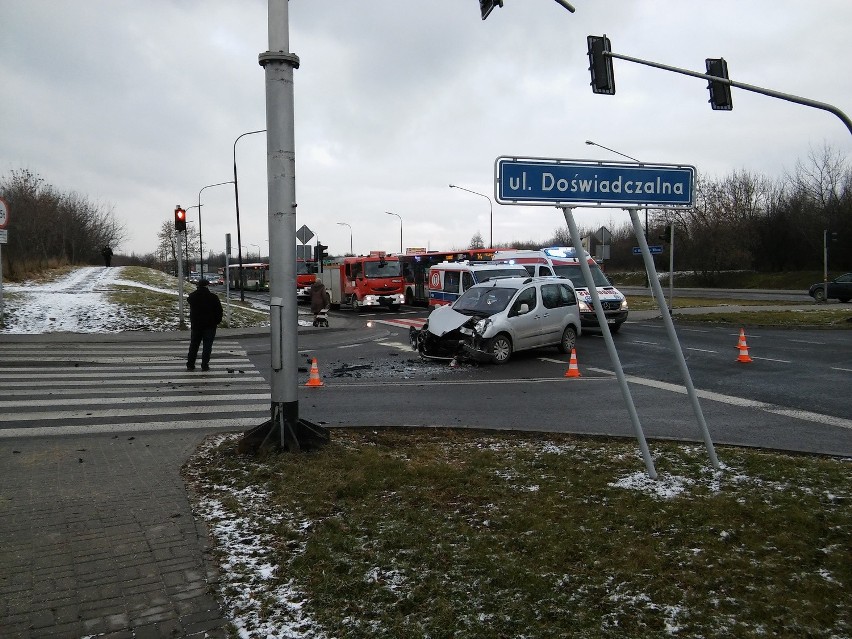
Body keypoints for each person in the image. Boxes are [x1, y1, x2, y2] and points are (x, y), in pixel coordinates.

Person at [187, 278, 224, 371]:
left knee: (194, 345)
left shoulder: (192, 296)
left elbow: (190, 303)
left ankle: (190, 364)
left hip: (196, 325)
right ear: (207, 285)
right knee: (207, 346)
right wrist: (216, 321)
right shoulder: (213, 297)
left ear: (198, 285)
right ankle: (204, 365)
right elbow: (219, 311)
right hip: (210, 326)